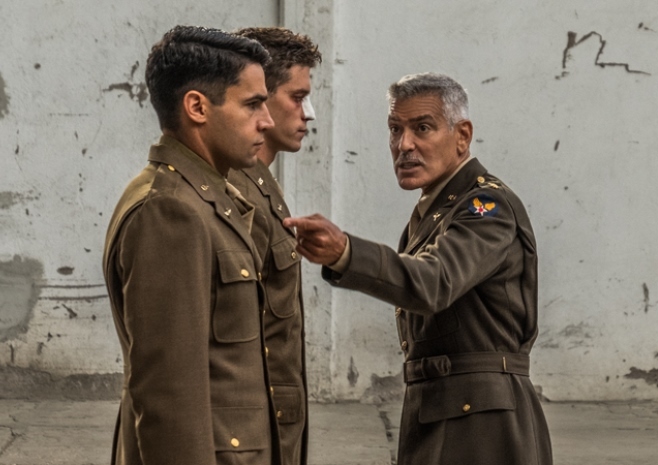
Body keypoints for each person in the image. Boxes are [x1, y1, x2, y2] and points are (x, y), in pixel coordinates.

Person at [284, 73, 552, 465]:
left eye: (422, 128)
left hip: (483, 424)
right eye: (395, 129)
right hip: (444, 410)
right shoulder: (436, 211)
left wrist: (347, 253)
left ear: (462, 136)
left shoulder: (486, 208)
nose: (404, 145)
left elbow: (433, 281)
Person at [103, 25, 280, 465]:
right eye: (252, 104)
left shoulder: (205, 196)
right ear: (197, 107)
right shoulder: (170, 211)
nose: (268, 120)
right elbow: (168, 395)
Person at [227, 27, 321, 465]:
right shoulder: (237, 192)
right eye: (297, 98)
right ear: (261, 99)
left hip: (277, 421)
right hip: (253, 426)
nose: (309, 113)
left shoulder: (261, 185)